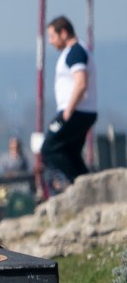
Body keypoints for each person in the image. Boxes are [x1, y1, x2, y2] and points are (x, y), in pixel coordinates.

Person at [41, 16, 98, 189]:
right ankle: (88, 187)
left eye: (52, 36)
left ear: (63, 33)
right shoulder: (76, 51)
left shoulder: (76, 52)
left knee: (49, 148)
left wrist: (68, 111)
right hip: (81, 111)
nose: (50, 41)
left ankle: (75, 185)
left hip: (75, 111)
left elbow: (81, 83)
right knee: (71, 152)